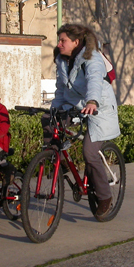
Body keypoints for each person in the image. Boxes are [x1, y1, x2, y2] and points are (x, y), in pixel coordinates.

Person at [48, 23, 121, 218]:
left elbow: (95, 79)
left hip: (99, 107)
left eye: (63, 40)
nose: (59, 44)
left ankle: (105, 196)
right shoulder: (62, 60)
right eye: (59, 40)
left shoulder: (92, 57)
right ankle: (59, 159)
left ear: (76, 42)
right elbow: (61, 89)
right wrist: (54, 108)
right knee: (50, 122)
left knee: (89, 152)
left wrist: (92, 101)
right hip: (76, 106)